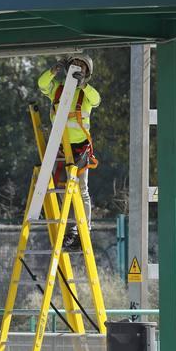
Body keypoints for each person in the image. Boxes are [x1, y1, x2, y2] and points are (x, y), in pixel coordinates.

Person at [37, 54, 100, 250]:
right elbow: (42, 84)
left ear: (87, 73)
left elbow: (97, 100)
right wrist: (52, 71)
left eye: (82, 66)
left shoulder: (86, 94)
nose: (78, 68)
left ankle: (85, 229)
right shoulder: (58, 89)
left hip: (80, 148)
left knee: (81, 190)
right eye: (74, 64)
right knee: (63, 189)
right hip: (60, 146)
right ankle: (70, 229)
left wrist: (83, 85)